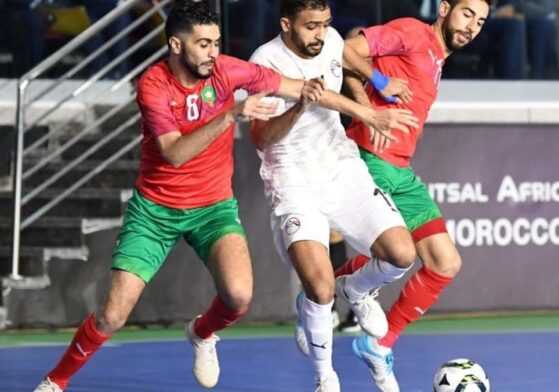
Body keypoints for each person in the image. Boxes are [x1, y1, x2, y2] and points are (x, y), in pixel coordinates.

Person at [30, 1, 394, 391]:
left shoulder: (228, 69)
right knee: (112, 316)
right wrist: (231, 114)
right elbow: (173, 153)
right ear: (175, 45)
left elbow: (302, 88)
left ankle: (202, 334)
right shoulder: (153, 85)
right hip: (155, 211)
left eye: (216, 43)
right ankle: (56, 381)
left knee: (238, 297)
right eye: (202, 44)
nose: (212, 53)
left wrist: (360, 108)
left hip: (213, 209)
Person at [317, 1, 490, 390]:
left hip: (401, 171)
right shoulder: (413, 32)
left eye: (480, 21)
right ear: (444, 7)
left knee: (444, 263)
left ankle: (379, 343)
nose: (472, 27)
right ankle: (321, 295)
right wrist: (369, 104)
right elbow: (344, 50)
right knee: (388, 254)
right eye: (467, 14)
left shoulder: (437, 58)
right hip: (367, 159)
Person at [249, 1, 421, 389]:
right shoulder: (265, 63)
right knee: (319, 287)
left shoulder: (328, 39)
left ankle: (357, 289)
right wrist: (298, 108)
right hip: (292, 177)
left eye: (326, 24)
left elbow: (342, 51)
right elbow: (259, 139)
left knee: (402, 254)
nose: (320, 34)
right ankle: (325, 376)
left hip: (341, 167)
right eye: (311, 26)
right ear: (286, 25)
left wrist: (378, 82)